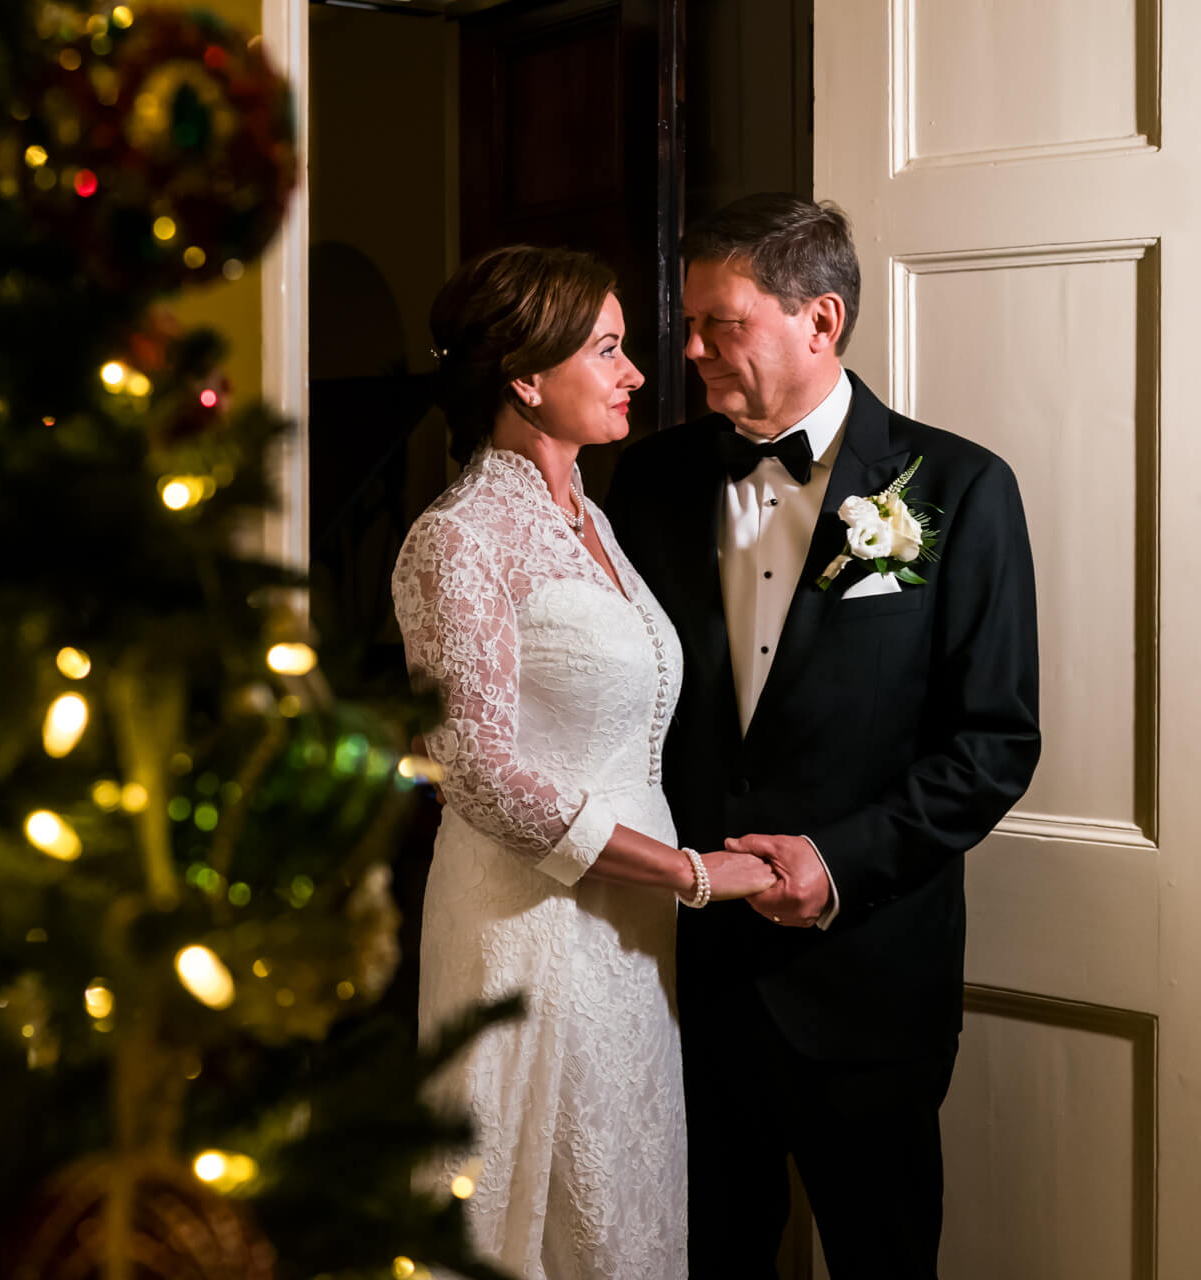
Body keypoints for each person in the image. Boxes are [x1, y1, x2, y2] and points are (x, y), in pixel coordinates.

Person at [603, 193, 1042, 1279]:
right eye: (688, 323)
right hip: (684, 974)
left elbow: (993, 741)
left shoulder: (959, 488)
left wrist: (837, 864)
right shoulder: (648, 481)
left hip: (869, 983)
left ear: (821, 320)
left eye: (722, 323)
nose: (690, 350)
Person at [392, 243, 777, 1279]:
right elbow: (476, 771)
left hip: (629, 929)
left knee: (624, 1200)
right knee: (540, 1215)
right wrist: (692, 871)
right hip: (529, 924)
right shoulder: (458, 537)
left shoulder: (590, 515)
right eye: (608, 348)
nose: (637, 372)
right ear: (525, 378)